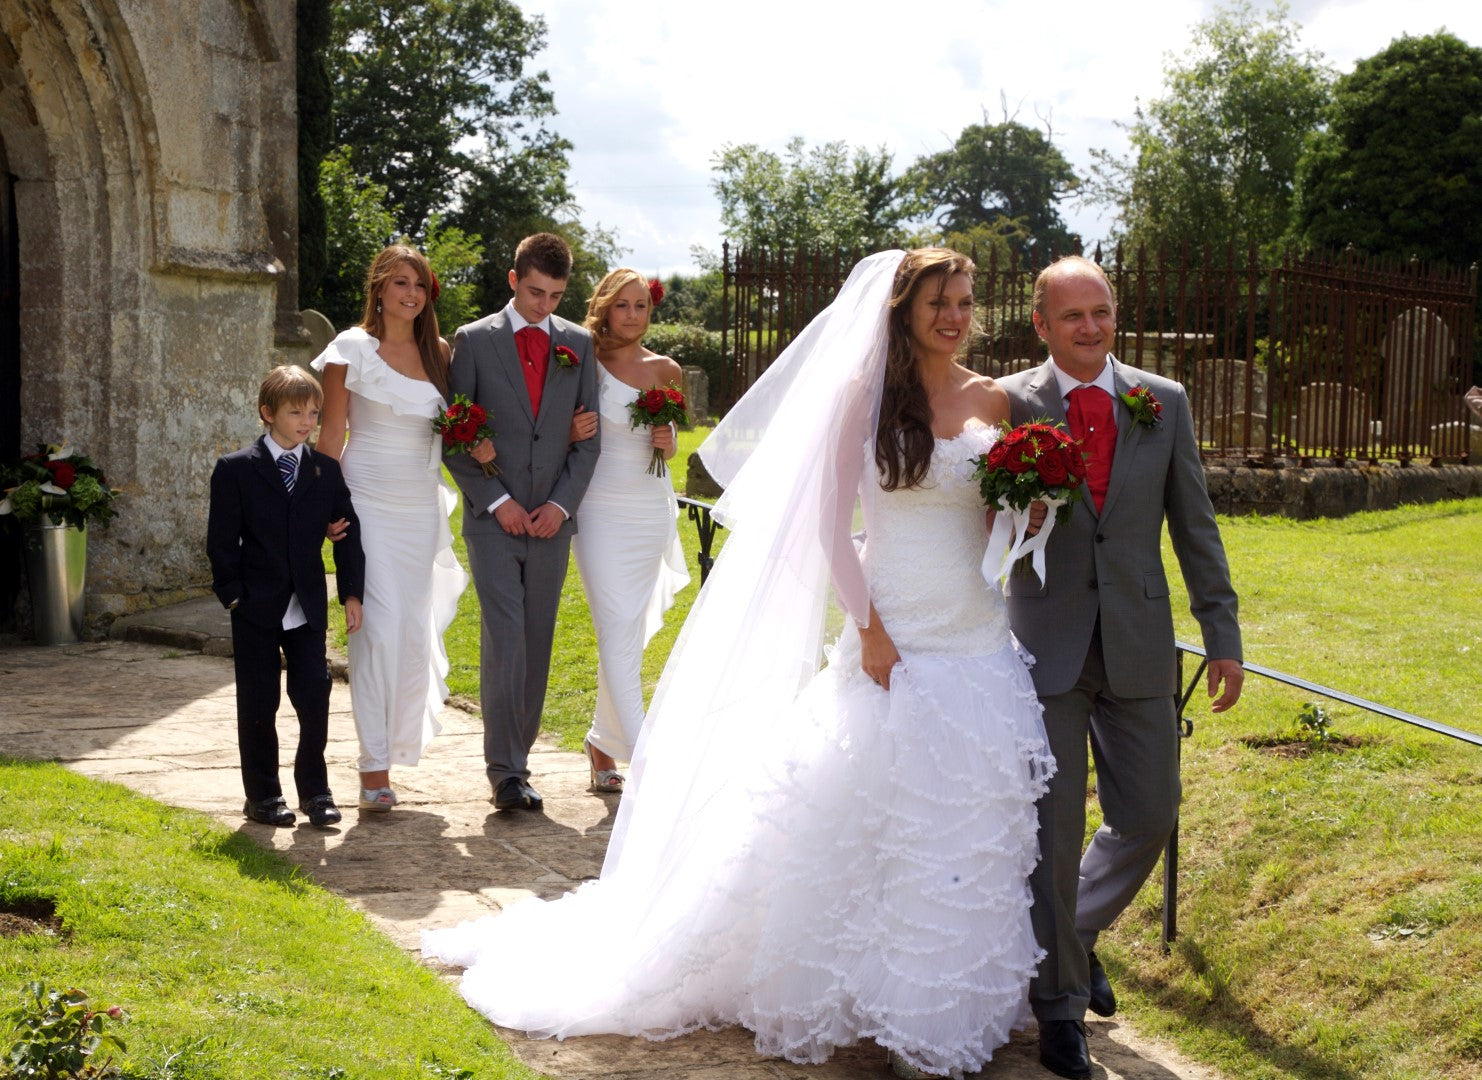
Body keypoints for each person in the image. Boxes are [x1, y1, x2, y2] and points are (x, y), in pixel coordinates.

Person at [424, 249, 1056, 1078]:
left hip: (975, 637)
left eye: (966, 302)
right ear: (902, 309)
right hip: (894, 630)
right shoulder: (862, 397)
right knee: (870, 816)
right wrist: (868, 628)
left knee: (963, 825)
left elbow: (993, 519)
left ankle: (935, 1007)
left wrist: (1031, 506)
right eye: (939, 301)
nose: (955, 316)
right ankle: (861, 991)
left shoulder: (993, 398)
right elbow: (833, 526)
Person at [997, 255, 1243, 1080]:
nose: (1092, 327)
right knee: (1054, 829)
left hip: (1139, 638)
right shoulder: (1008, 402)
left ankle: (1075, 935)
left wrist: (1223, 632)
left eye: (1101, 312)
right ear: (1042, 324)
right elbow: (978, 517)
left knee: (1150, 811)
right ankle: (1058, 1009)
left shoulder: (1160, 402)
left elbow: (1195, 524)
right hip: (1044, 641)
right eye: (1073, 317)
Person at [443, 232, 600, 811]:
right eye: (535, 292)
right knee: (506, 636)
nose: (544, 306)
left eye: (556, 296)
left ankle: (520, 764)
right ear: (514, 280)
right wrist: (499, 500)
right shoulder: (474, 341)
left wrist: (559, 506)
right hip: (494, 519)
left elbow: (588, 441)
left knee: (537, 640)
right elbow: (456, 434)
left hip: (552, 522)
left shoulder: (578, 345)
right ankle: (504, 771)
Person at [311, 244, 469, 812]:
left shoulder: (441, 353)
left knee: (409, 634)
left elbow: (457, 432)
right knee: (373, 633)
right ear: (379, 287)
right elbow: (330, 438)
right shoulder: (349, 349)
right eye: (400, 282)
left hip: (421, 509)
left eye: (420, 285)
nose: (411, 293)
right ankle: (371, 767)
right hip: (367, 502)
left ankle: (398, 749)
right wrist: (325, 510)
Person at [206, 364, 366, 829]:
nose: (306, 421)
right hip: (256, 606)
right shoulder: (235, 469)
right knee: (259, 703)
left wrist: (351, 593)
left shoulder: (325, 469)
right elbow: (221, 542)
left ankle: (315, 792)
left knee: (314, 696)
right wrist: (234, 597)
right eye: (296, 412)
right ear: (267, 413)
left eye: (314, 413)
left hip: (308, 605)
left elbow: (348, 533)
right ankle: (263, 795)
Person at [567, 268, 689, 793]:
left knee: (627, 635)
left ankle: (600, 743)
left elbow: (673, 446)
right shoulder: (581, 362)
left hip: (649, 509)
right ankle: (644, 758)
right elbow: (550, 427)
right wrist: (569, 430)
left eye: (641, 306)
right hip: (597, 509)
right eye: (623, 305)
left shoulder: (666, 369)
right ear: (605, 306)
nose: (633, 315)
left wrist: (668, 440)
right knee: (616, 627)